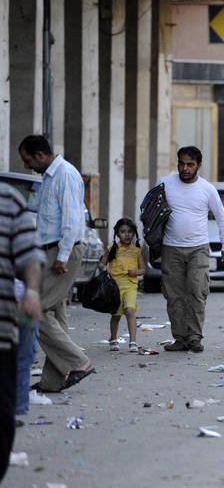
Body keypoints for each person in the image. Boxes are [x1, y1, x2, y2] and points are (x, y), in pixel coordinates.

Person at [18, 135, 95, 392]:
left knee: (34, 310)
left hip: (62, 252)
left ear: (40, 155)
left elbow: (72, 219)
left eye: (28, 160)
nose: (28, 166)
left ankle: (79, 362)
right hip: (49, 252)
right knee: (55, 315)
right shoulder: (50, 177)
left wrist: (62, 256)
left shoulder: (65, 174)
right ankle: (54, 381)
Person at [158, 146, 224, 353]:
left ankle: (195, 337)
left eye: (190, 164)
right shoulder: (164, 184)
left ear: (199, 165)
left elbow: (222, 219)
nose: (185, 168)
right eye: (181, 163)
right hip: (170, 248)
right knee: (174, 296)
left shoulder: (207, 189)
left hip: (198, 248)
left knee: (197, 292)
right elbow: (149, 213)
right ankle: (180, 338)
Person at [1, 183, 43, 482]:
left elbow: (30, 255)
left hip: (2, 330)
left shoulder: (8, 200)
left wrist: (31, 291)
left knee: (2, 417)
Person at [99, 218, 145, 353]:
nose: (127, 235)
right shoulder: (112, 249)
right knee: (116, 314)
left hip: (131, 285)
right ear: (117, 234)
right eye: (123, 232)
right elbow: (102, 263)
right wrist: (104, 269)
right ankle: (113, 338)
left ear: (134, 233)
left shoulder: (137, 251)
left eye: (130, 232)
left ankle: (133, 341)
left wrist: (135, 272)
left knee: (130, 310)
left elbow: (143, 270)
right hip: (115, 287)